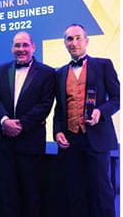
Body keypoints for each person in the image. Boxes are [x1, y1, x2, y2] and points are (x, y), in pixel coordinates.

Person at [53, 24, 119, 217]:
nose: (74, 43)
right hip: (71, 141)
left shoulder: (103, 65)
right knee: (75, 193)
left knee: (102, 194)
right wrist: (57, 131)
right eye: (69, 39)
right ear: (64, 43)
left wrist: (101, 111)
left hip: (97, 139)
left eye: (78, 38)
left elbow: (117, 98)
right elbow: (59, 108)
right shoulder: (59, 73)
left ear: (86, 41)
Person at [0, 31, 55, 217]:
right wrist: (5, 121)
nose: (21, 49)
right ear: (11, 48)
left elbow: (45, 104)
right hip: (4, 143)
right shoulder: (1, 70)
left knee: (31, 193)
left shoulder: (47, 72)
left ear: (33, 47)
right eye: (17, 45)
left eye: (25, 45)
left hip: (31, 143)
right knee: (8, 193)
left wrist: (19, 126)